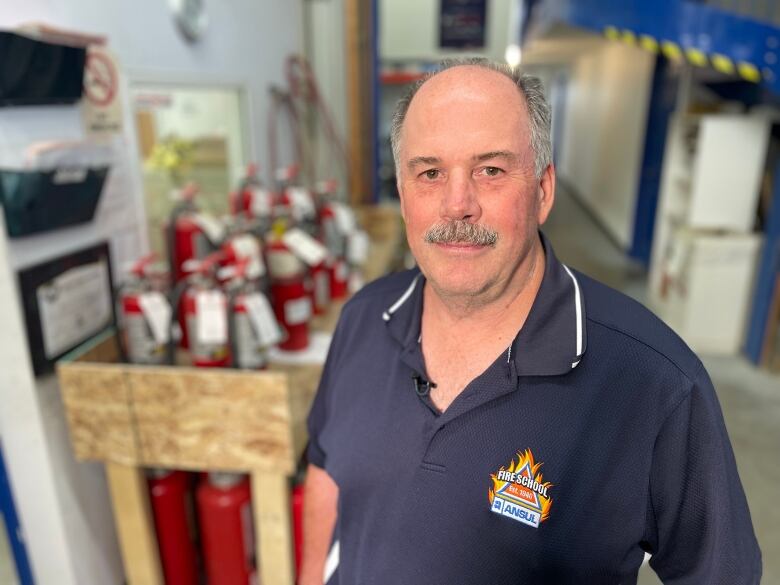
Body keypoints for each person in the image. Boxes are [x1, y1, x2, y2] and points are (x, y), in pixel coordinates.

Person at [299, 58, 761, 585]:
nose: (457, 205)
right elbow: (327, 471)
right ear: (404, 196)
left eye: (490, 170)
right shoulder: (363, 320)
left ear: (542, 191)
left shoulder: (655, 384)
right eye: (429, 173)